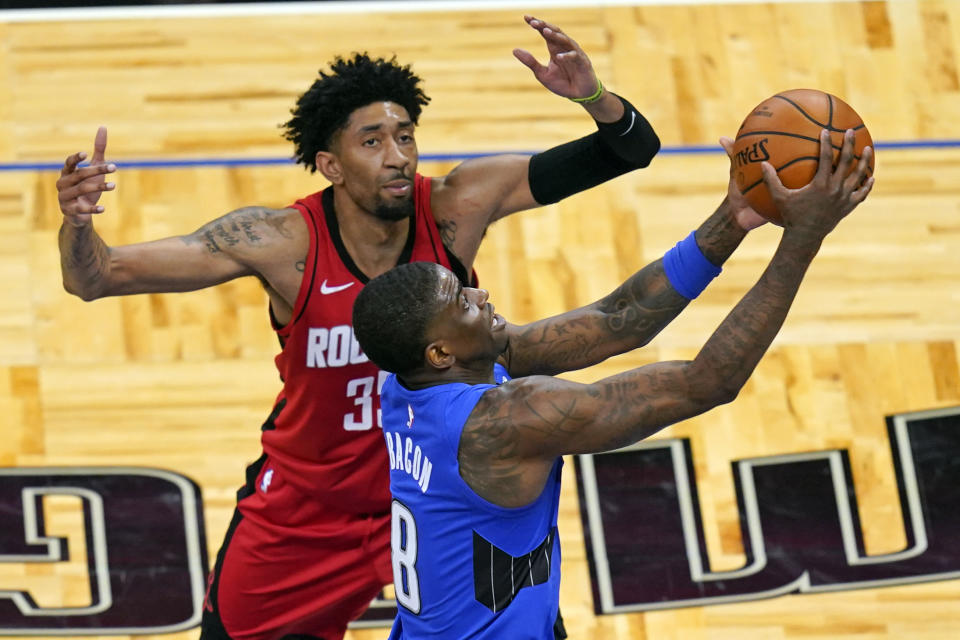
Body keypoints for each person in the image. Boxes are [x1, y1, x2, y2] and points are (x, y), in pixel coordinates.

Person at [55, 16, 661, 640]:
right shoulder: (282, 243)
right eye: (372, 142)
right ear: (330, 165)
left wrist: (593, 96)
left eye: (405, 136)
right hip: (310, 510)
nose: (397, 157)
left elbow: (629, 149)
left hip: (446, 494)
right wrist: (78, 224)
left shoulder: (458, 204)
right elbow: (96, 278)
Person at [352, 129, 874, 639]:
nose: (482, 295)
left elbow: (616, 318)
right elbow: (707, 381)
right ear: (441, 352)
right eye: (462, 304)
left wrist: (733, 220)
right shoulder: (507, 420)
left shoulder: (410, 381)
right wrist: (802, 240)